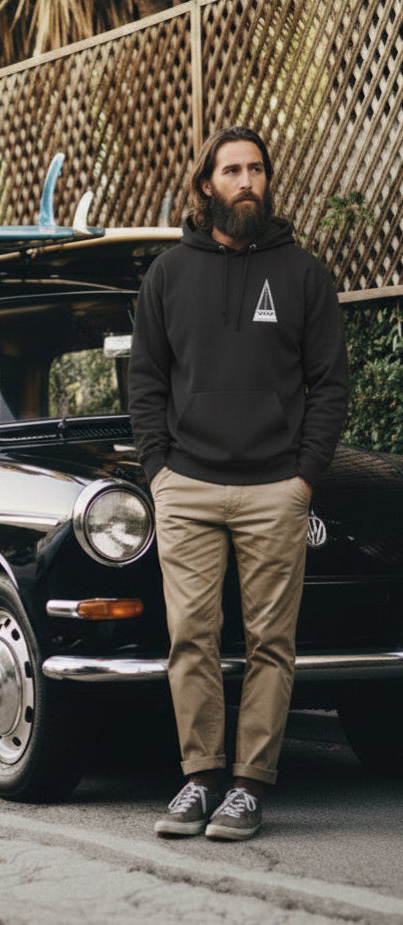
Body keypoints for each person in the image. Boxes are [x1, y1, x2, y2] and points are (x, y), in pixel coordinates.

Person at [128, 125, 348, 840]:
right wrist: (159, 471)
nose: (247, 181)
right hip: (186, 486)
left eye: (256, 169)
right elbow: (145, 381)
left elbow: (328, 385)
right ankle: (198, 779)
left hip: (274, 489)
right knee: (190, 637)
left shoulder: (304, 275)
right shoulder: (167, 275)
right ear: (206, 184)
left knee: (269, 644)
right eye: (232, 170)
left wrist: (303, 477)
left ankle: (248, 787)